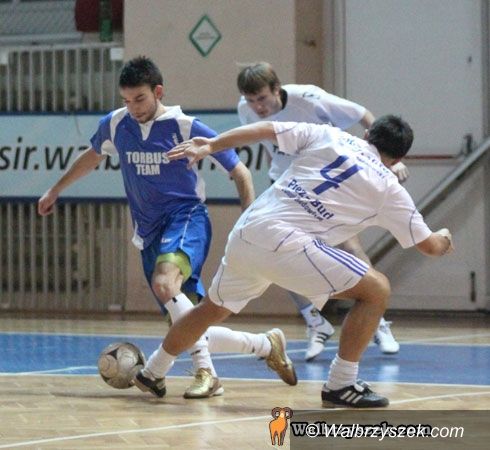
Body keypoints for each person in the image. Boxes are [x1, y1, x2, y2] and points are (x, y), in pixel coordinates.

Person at [135, 115, 454, 408]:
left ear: (367, 134)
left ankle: (153, 371)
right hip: (287, 242)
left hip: (248, 230)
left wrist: (213, 144)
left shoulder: (329, 135)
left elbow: (266, 129)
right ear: (397, 159)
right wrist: (444, 238)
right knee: (377, 290)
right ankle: (341, 384)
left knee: (210, 310)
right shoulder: (389, 188)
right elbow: (430, 246)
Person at [37, 56, 297, 399]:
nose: (133, 108)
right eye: (126, 100)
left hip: (186, 218)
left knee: (164, 283)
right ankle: (265, 345)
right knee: (185, 323)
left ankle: (186, 373)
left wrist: (248, 221)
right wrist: (55, 189)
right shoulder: (116, 124)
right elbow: (92, 156)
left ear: (158, 92)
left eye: (140, 99)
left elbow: (241, 172)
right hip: (148, 231)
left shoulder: (185, 126)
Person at [236, 62, 407, 359]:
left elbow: (362, 114)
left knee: (349, 247)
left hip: (323, 182)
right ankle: (315, 322)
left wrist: (390, 158)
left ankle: (377, 320)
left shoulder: (309, 98)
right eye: (251, 100)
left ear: (277, 89)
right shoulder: (245, 109)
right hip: (286, 184)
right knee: (275, 252)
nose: (257, 107)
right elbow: (266, 146)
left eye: (262, 98)